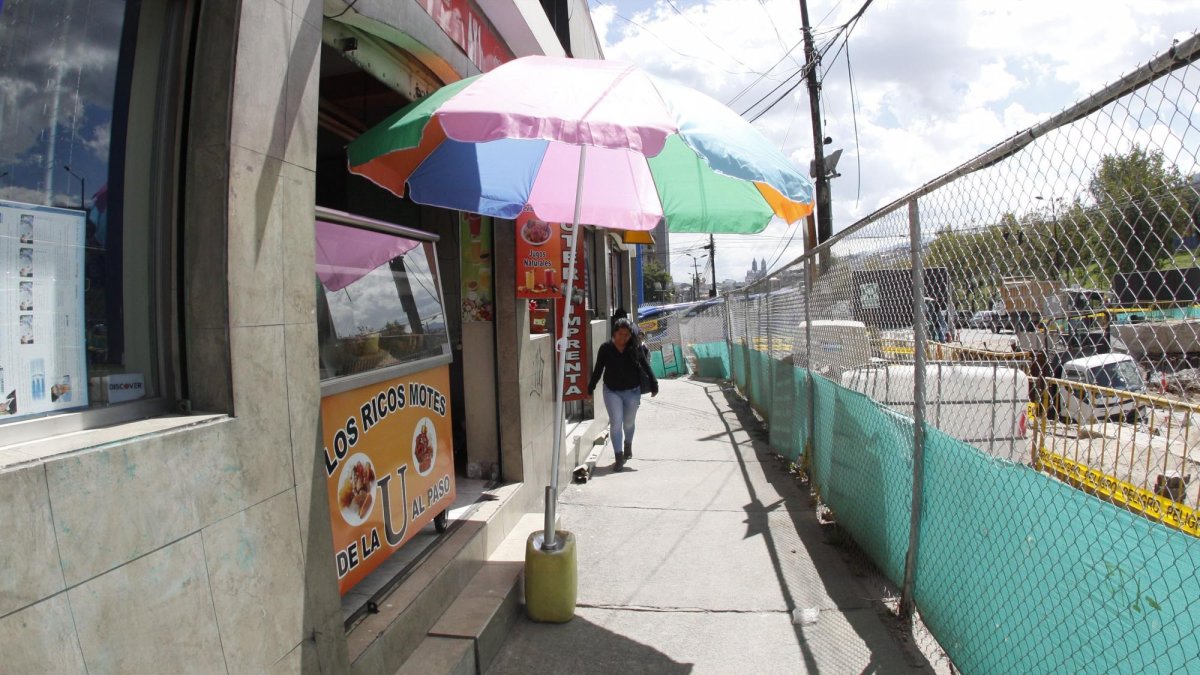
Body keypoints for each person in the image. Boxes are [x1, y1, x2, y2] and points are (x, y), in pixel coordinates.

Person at [588, 318, 658, 471]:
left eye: (626, 335)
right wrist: (590, 389)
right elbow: (598, 370)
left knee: (628, 422)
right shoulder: (605, 348)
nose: (623, 338)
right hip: (611, 391)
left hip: (632, 391)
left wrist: (654, 384)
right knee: (616, 422)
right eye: (620, 334)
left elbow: (646, 366)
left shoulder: (635, 348)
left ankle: (628, 444)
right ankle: (618, 456)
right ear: (614, 333)